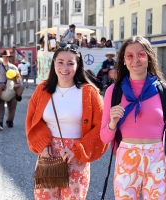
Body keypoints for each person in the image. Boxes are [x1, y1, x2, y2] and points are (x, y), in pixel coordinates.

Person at [100, 36, 166, 200]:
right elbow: (104, 137)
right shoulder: (113, 92)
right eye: (129, 56)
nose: (135, 60)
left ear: (149, 57)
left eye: (141, 54)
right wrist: (112, 123)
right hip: (126, 159)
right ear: (123, 60)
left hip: (156, 159)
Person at [25, 43, 109, 199]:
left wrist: (77, 150)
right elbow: (32, 119)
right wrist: (42, 145)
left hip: (76, 155)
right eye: (60, 62)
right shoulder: (42, 89)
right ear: (54, 63)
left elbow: (101, 127)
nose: (65, 67)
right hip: (48, 153)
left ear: (78, 66)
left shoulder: (89, 92)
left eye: (71, 63)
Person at [0, 50, 23, 131]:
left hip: (11, 89)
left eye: (7, 57)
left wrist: (19, 85)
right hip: (0, 90)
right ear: (2, 57)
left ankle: (9, 121)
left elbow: (19, 78)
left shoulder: (14, 67)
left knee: (12, 107)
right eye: (4, 56)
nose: (5, 58)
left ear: (9, 58)